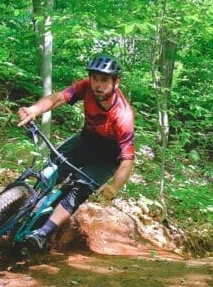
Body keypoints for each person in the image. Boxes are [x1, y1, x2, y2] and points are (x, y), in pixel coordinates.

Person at [16, 55, 135, 249]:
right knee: (52, 169)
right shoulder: (86, 87)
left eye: (104, 80)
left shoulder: (123, 115)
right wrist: (34, 109)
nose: (98, 84)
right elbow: (58, 98)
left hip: (106, 159)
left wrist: (114, 187)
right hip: (85, 142)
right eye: (94, 78)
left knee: (79, 189)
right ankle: (22, 207)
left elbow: (128, 158)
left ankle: (42, 234)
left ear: (116, 82)